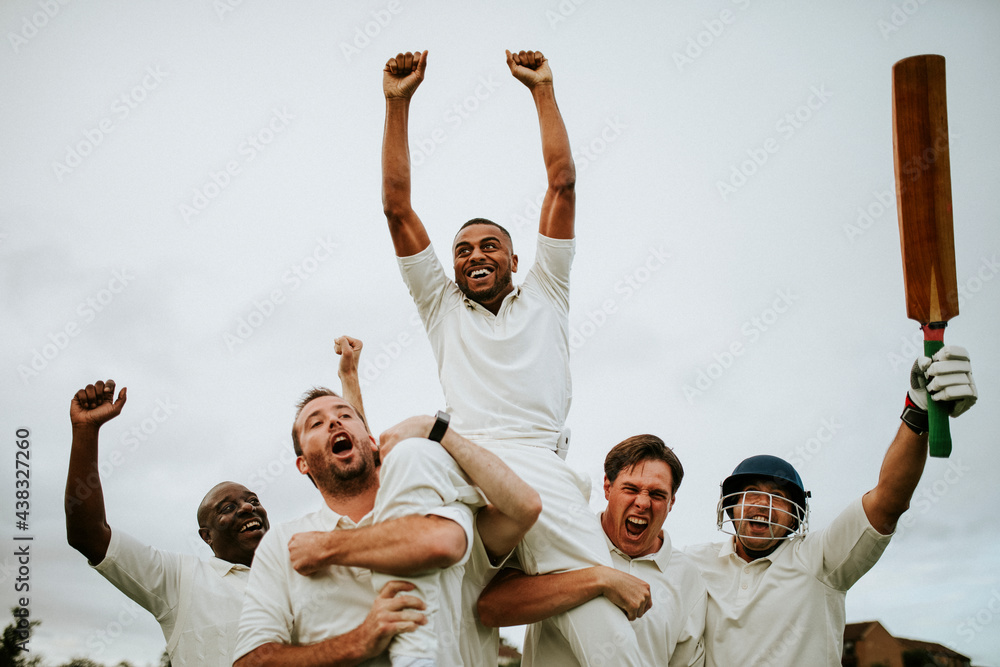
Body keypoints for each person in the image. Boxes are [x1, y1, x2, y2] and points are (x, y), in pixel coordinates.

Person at [382, 49, 644, 666]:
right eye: (464, 249)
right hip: (463, 459)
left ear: (514, 259)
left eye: (491, 246)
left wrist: (542, 89)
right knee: (412, 461)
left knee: (599, 630)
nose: (476, 255)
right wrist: (397, 102)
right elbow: (396, 207)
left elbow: (563, 182)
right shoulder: (441, 306)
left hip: (536, 465)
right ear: (451, 266)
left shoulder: (547, 292)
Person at [233, 338, 541, 667]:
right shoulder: (282, 545)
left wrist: (437, 430)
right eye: (317, 423)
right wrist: (359, 641)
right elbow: (251, 661)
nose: (335, 422)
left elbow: (524, 508)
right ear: (302, 463)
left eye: (344, 415)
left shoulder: (441, 512)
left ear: (370, 440)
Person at [683, 346, 978, 667]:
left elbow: (888, 502)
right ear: (732, 505)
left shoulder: (820, 559)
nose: (764, 506)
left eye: (778, 497)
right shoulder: (693, 564)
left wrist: (918, 412)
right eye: (752, 492)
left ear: (796, 516)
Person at [65, 379, 270, 666]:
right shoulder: (180, 579)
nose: (249, 507)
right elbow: (87, 535)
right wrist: (86, 432)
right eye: (228, 507)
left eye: (254, 500)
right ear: (206, 536)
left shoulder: (302, 572)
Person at [478, 434, 708, 667]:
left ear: (672, 502)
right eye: (631, 489)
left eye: (657, 494)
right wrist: (600, 579)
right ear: (607, 487)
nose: (643, 503)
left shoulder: (688, 578)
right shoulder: (563, 536)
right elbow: (491, 609)